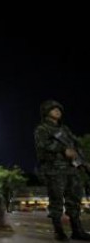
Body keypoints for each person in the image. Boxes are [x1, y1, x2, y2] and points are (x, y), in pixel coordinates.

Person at [34, 100, 90, 241]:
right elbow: (42, 145)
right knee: (57, 201)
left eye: (59, 109)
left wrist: (83, 161)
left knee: (75, 200)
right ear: (46, 112)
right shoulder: (42, 129)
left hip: (72, 169)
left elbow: (75, 145)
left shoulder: (65, 129)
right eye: (53, 109)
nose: (57, 111)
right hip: (54, 170)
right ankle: (59, 232)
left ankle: (77, 230)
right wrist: (63, 149)